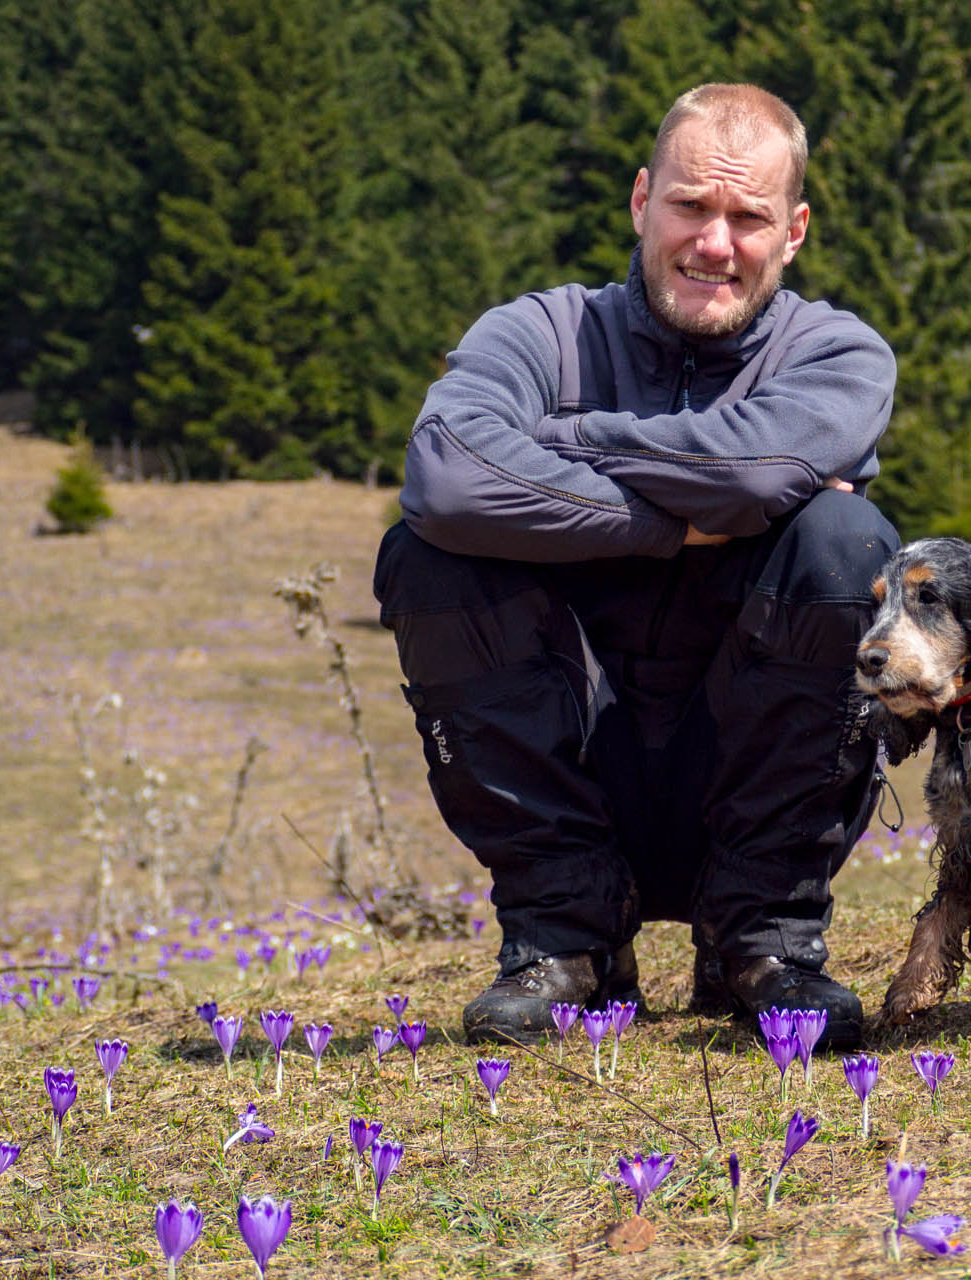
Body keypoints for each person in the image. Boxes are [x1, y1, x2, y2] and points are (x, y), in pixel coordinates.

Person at [372, 83, 899, 1049]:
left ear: (796, 231)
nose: (715, 242)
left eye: (749, 217)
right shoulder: (534, 333)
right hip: (571, 752)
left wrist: (558, 441)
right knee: (428, 554)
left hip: (747, 762)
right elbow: (447, 473)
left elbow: (758, 471)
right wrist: (674, 524)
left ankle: (764, 941)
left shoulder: (839, 354)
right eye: (691, 206)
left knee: (849, 547)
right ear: (640, 202)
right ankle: (565, 942)